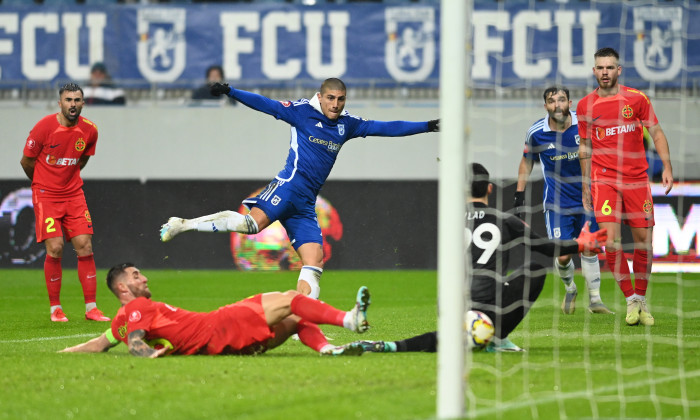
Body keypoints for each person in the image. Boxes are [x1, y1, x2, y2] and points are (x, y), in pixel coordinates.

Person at [159, 78, 439, 299]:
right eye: (331, 98)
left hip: (306, 203)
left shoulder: (348, 124)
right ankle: (182, 224)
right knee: (251, 225)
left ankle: (303, 322)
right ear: (320, 97)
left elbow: (387, 127)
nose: (336, 104)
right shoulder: (302, 112)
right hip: (289, 186)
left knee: (315, 261)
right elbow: (266, 104)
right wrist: (232, 91)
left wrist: (428, 126)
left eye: (341, 99)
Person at [350, 163, 607, 353]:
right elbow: (546, 248)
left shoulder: (450, 220)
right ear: (490, 188)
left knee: (448, 334)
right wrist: (579, 245)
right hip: (489, 307)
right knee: (535, 270)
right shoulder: (506, 220)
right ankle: (498, 338)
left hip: (450, 307)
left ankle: (393, 346)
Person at [59, 263, 371, 357]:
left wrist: (65, 352)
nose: (145, 277)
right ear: (123, 289)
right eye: (136, 276)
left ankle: (328, 349)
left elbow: (100, 345)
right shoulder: (138, 307)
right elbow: (137, 341)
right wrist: (144, 353)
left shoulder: (120, 321)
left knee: (292, 319)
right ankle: (349, 319)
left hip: (226, 344)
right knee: (290, 297)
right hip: (220, 325)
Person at [577, 47, 674, 326]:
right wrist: (586, 184)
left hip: (636, 179)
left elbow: (656, 132)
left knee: (644, 242)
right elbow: (585, 146)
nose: (605, 72)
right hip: (604, 179)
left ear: (619, 70)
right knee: (611, 240)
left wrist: (667, 167)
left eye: (610, 67)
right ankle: (630, 299)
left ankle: (642, 300)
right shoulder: (585, 106)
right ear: (594, 71)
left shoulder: (636, 99)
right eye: (600, 67)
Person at [514, 86, 612, 315]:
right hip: (557, 203)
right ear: (545, 106)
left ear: (570, 102)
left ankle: (595, 300)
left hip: (587, 199)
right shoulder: (536, 132)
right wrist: (519, 196)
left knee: (590, 248)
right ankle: (570, 288)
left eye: (561, 100)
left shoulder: (584, 125)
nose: (557, 105)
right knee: (563, 254)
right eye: (551, 101)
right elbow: (526, 161)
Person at [19, 83, 110, 323]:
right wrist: (42, 183)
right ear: (60, 103)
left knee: (85, 245)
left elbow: (82, 159)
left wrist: (67, 179)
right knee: (56, 247)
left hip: (74, 194)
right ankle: (55, 308)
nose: (73, 104)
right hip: (46, 195)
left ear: (83, 103)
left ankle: (92, 308)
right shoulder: (44, 127)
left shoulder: (90, 130)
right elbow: (26, 161)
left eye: (77, 100)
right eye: (68, 100)